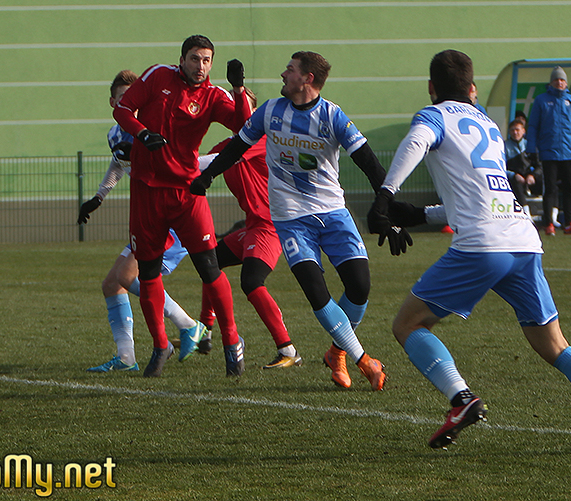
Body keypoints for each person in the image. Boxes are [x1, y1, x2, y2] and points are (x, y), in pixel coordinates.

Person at [367, 49, 571, 450]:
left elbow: (417, 141)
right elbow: (478, 196)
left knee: (407, 325)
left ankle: (461, 399)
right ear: (473, 90)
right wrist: (417, 215)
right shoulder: (489, 126)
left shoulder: (434, 116)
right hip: (522, 240)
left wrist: (385, 196)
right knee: (555, 345)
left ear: (432, 88)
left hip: (482, 244)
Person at [191, 51, 393, 390]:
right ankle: (362, 359)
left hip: (332, 213)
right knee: (316, 291)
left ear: (307, 79)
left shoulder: (332, 115)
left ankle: (336, 353)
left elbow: (367, 161)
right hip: (290, 219)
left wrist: (388, 206)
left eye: (290, 69)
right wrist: (207, 176)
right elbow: (236, 146)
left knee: (360, 287)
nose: (283, 74)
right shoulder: (270, 112)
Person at [113, 35, 252, 377]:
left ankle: (231, 342)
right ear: (182, 59)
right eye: (194, 59)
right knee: (148, 274)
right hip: (147, 193)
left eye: (206, 61)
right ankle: (161, 345)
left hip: (187, 192)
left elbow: (246, 127)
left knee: (210, 267)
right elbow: (122, 109)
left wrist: (239, 90)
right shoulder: (158, 76)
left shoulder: (213, 96)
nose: (200, 67)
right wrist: (142, 133)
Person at [79, 70, 208, 373]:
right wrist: (98, 197)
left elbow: (183, 162)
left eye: (134, 97)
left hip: (171, 216)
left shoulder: (157, 125)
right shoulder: (116, 133)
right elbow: (118, 164)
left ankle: (190, 326)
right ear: (114, 102)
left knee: (125, 277)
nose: (131, 104)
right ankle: (126, 358)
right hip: (146, 216)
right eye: (124, 99)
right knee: (112, 283)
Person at [195, 112, 302, 369]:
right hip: (254, 226)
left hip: (271, 225)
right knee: (212, 261)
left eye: (248, 110)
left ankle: (287, 349)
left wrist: (165, 161)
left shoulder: (261, 140)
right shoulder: (225, 146)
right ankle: (204, 332)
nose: (242, 115)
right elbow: (201, 164)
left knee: (252, 282)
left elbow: (211, 161)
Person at [525, 66, 571, 236]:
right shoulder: (541, 100)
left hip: (569, 153)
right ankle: (549, 223)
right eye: (556, 79)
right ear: (551, 82)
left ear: (566, 82)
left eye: (562, 80)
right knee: (550, 189)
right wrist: (531, 149)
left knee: (570, 188)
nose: (559, 82)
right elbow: (533, 126)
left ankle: (570, 223)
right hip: (549, 152)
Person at [503, 118, 541, 217]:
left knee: (548, 181)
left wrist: (533, 175)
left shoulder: (530, 145)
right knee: (516, 182)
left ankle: (551, 216)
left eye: (517, 130)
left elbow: (539, 165)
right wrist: (513, 175)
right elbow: (501, 167)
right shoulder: (504, 146)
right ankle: (526, 211)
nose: (515, 132)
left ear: (523, 131)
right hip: (515, 180)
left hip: (529, 179)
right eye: (512, 130)